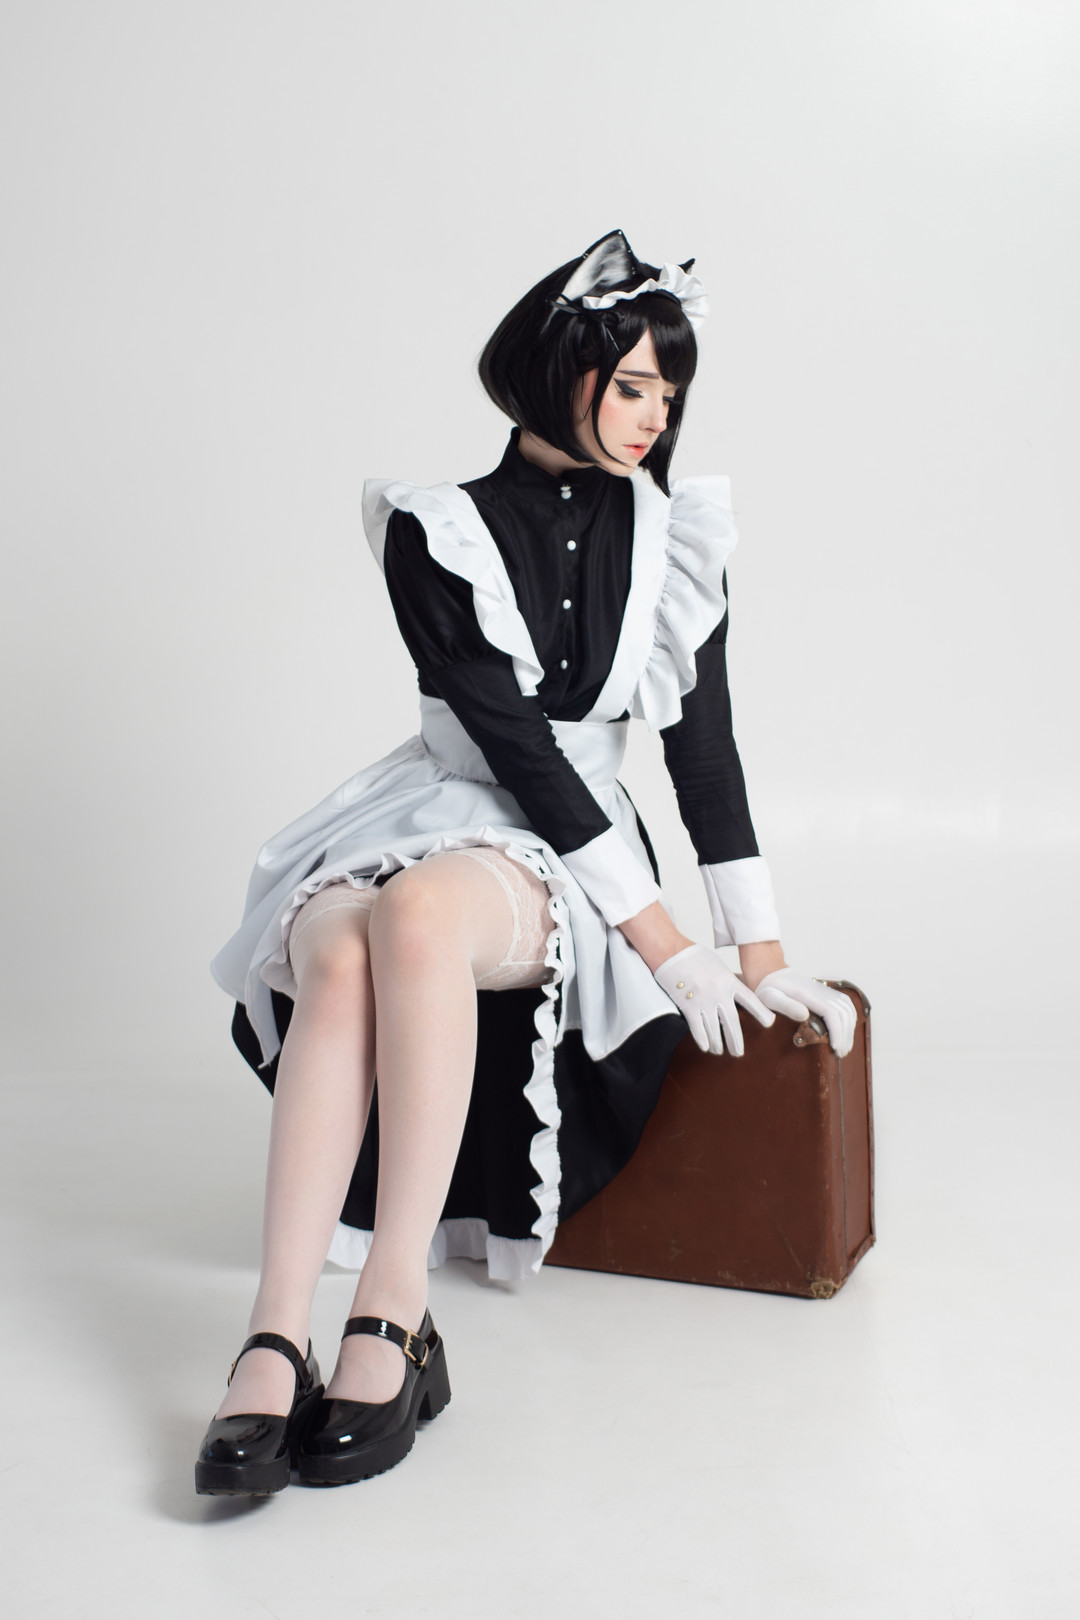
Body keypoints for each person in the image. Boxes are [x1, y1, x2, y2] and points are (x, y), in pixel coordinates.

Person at [195, 229, 857, 1497]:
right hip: (435, 798)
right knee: (336, 943)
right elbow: (508, 744)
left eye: (670, 391)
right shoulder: (433, 530)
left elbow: (700, 747)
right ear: (561, 372)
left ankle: (390, 1308)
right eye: (632, 385)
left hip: (572, 841)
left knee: (415, 921)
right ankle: (275, 1330)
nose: (655, 417)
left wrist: (750, 947)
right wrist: (667, 943)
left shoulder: (676, 535)